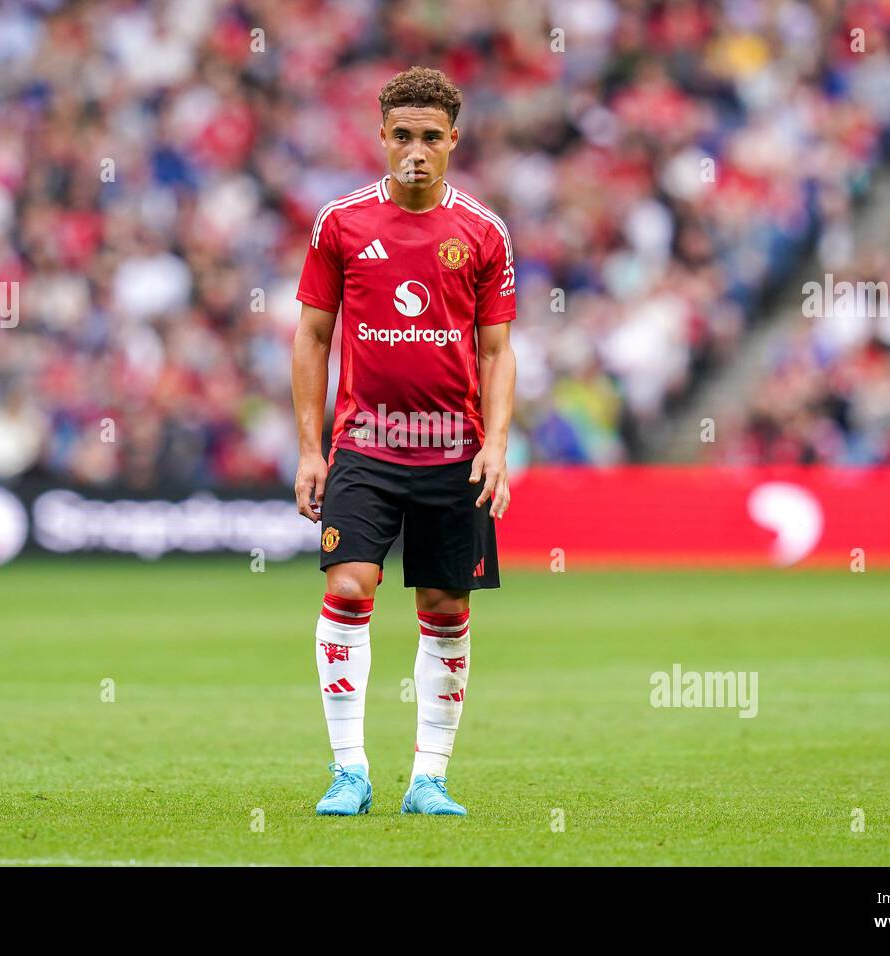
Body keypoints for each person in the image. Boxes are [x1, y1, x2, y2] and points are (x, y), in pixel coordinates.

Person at [291, 65, 517, 816]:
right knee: (348, 586)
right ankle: (349, 770)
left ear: (453, 139)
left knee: (447, 607)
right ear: (380, 137)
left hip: (456, 450)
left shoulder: (483, 232)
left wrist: (498, 446)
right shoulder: (341, 223)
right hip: (366, 445)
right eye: (401, 136)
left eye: (429, 137)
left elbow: (496, 353)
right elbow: (312, 336)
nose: (414, 149)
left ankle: (430, 778)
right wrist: (308, 448)